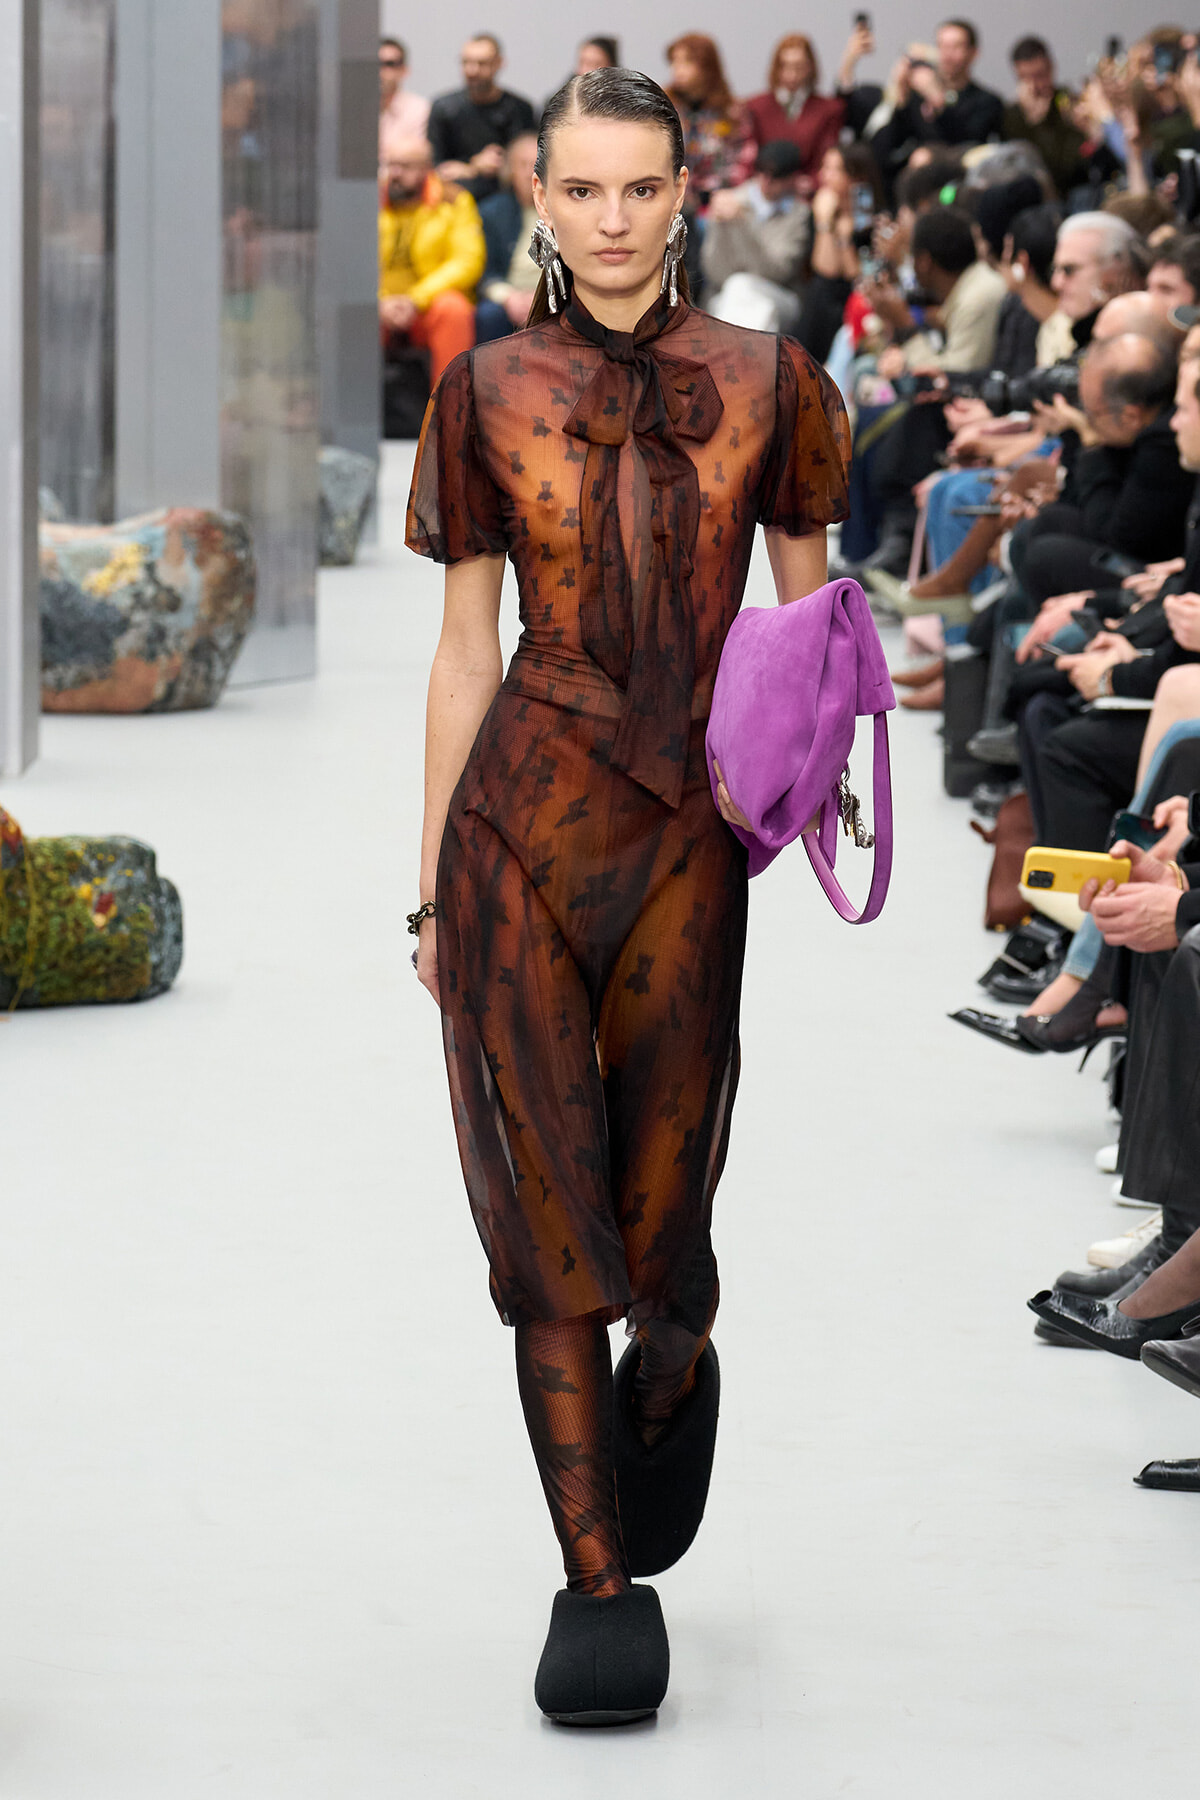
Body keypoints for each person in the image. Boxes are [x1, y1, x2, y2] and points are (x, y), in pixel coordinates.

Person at [405, 66, 849, 1724]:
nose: (607, 218)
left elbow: (806, 628)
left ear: (683, 195)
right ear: (538, 194)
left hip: (690, 839)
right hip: (518, 821)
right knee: (545, 1218)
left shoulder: (771, 382)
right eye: (578, 190)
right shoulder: (485, 387)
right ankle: (597, 1587)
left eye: (635, 190)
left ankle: (679, 1348)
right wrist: (428, 891)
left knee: (663, 1227)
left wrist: (809, 787)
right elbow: (463, 654)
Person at [378, 137, 485, 387]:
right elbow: (351, 259)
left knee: (454, 309)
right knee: (348, 307)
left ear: (426, 168)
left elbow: (467, 261)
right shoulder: (368, 199)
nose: (394, 174)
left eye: (405, 166)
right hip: (379, 305)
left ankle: (448, 413)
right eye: (390, 165)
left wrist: (416, 298)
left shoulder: (453, 199)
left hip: (426, 306)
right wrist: (379, 299)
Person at [868, 19, 1005, 185]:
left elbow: (966, 143)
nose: (947, 55)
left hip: (963, 186)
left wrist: (937, 99)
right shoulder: (917, 98)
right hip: (917, 186)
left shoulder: (987, 102)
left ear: (973, 52)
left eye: (956, 47)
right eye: (942, 46)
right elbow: (884, 152)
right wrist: (900, 98)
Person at [701, 138, 810, 332]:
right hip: (727, 297)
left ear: (792, 178)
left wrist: (742, 224)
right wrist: (719, 225)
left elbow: (779, 273)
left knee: (742, 285)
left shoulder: (799, 214)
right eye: (761, 171)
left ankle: (724, 358)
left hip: (779, 296)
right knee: (741, 292)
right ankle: (745, 361)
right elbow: (715, 274)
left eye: (774, 176)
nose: (765, 181)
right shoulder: (731, 201)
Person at [427, 33, 537, 203]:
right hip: (454, 199)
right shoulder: (444, 108)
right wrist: (474, 167)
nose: (472, 71)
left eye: (481, 63)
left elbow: (530, 163)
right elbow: (434, 169)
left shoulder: (520, 109)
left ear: (499, 63)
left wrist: (502, 166)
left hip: (509, 200)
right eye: (466, 63)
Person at [665, 33, 755, 213]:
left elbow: (743, 159)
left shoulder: (731, 111)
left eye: (686, 62)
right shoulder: (664, 105)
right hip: (672, 199)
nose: (678, 69)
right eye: (674, 62)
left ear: (707, 67)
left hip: (720, 203)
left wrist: (721, 194)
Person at [743, 34, 846, 185]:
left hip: (808, 191)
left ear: (810, 67)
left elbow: (826, 160)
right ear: (776, 67)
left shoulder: (829, 110)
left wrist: (810, 183)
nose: (792, 74)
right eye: (785, 65)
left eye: (799, 66)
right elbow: (748, 158)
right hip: (764, 189)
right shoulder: (755, 107)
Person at [1000, 35, 1088, 200]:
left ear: (1052, 68)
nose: (1035, 86)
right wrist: (1032, 120)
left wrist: (1040, 124)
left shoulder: (1069, 103)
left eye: (1040, 75)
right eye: (1026, 78)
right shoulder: (1012, 114)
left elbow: (1068, 167)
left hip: (1071, 190)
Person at [474, 132, 540, 343]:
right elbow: (485, 271)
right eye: (523, 165)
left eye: (538, 164)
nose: (531, 173)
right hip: (509, 294)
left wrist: (545, 297)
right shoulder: (491, 212)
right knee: (488, 314)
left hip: (555, 294)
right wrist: (509, 297)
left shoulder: (567, 210)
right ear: (509, 171)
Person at [378, 36, 429, 149]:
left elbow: (415, 157)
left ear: (404, 70)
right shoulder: (354, 110)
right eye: (376, 64)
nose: (380, 71)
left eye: (389, 64)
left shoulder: (420, 110)